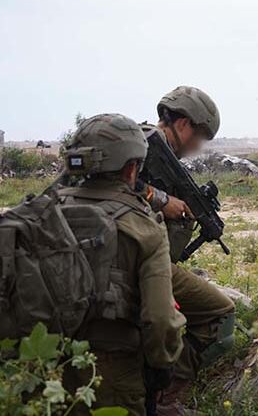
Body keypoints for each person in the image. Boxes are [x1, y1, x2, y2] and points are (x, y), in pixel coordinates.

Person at [59, 114, 186, 415]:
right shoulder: (143, 227)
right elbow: (160, 320)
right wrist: (162, 367)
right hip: (112, 377)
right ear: (132, 168)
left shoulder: (44, 212)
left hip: (44, 368)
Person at [137, 86, 235, 414]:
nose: (198, 148)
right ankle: (166, 399)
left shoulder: (144, 147)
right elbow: (113, 185)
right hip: (140, 262)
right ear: (183, 126)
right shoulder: (145, 145)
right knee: (220, 313)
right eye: (201, 138)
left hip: (136, 258)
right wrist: (161, 200)